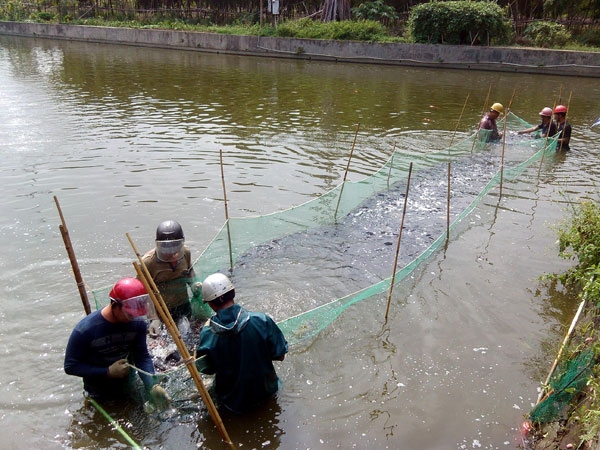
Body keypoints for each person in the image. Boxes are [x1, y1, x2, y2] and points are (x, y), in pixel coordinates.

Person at [64, 277, 170, 407]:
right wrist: (107, 371)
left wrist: (152, 385)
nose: (133, 318)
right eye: (130, 315)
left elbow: (141, 356)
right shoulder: (86, 330)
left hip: (128, 384)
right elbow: (70, 366)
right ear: (115, 305)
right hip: (97, 391)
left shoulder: (138, 324)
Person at [195, 273, 288, 415]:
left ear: (211, 304)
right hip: (266, 393)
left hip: (232, 403)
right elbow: (280, 355)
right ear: (233, 292)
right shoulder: (262, 320)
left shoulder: (208, 334)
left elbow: (206, 369)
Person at [142, 220, 204, 334]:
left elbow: (189, 271)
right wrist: (153, 318)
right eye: (167, 251)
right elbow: (143, 294)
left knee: (189, 336)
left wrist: (193, 284)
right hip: (161, 312)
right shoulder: (147, 263)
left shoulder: (186, 252)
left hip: (183, 305)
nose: (171, 254)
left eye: (175, 250)